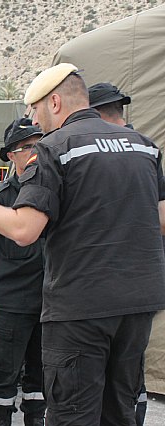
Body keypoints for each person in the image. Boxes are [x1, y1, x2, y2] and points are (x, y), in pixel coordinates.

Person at [0, 63, 165, 426]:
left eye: (35, 110)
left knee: (73, 411)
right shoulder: (143, 146)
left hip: (80, 306)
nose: (35, 119)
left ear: (55, 102)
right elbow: (161, 219)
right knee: (120, 405)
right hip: (138, 302)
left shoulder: (55, 147)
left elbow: (24, 230)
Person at [0, 118, 45, 426]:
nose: (35, 153)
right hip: (12, 302)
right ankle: (2, 421)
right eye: (27, 147)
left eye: (40, 146)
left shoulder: (50, 189)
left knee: (40, 373)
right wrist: (9, 269)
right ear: (12, 155)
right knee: (4, 373)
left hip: (49, 302)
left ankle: (35, 420)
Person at [89, 81, 148, 426]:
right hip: (139, 289)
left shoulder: (89, 153)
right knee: (126, 386)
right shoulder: (145, 149)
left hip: (96, 291)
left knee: (89, 388)